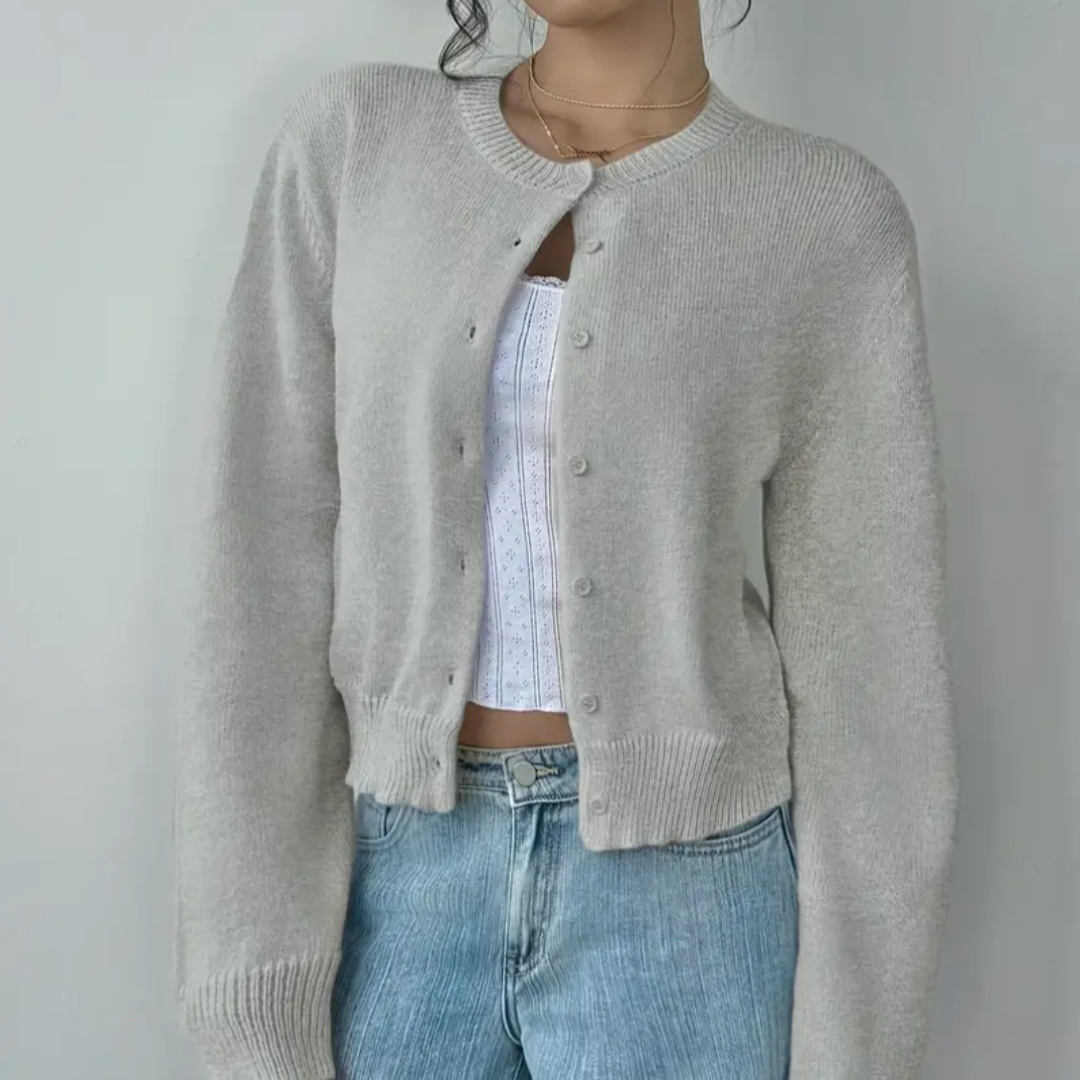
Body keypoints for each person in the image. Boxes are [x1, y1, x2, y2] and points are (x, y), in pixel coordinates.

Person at [172, 1, 958, 1078]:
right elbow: (257, 567)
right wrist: (251, 979)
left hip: (689, 905)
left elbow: (873, 673)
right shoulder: (357, 144)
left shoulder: (823, 215)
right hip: (394, 884)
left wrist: (858, 1052)